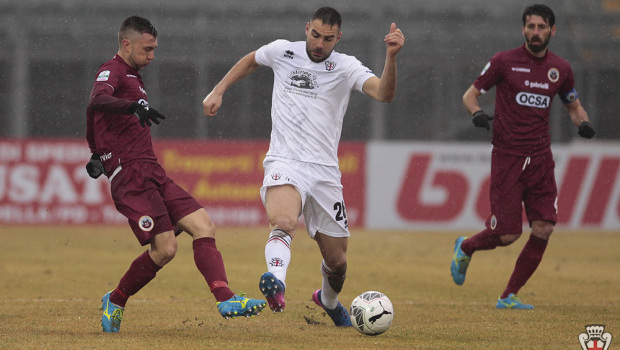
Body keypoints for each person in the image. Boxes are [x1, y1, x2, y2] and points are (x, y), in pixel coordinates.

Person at [203, 7, 404, 326]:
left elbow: (384, 94)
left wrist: (391, 57)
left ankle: (328, 299)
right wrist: (218, 89)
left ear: (338, 37)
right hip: (285, 161)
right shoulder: (283, 50)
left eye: (327, 39)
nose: (319, 44)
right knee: (283, 221)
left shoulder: (346, 66)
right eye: (315, 35)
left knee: (337, 261)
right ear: (307, 28)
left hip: (325, 173)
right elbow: (251, 60)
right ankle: (276, 281)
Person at [86, 15, 266, 333]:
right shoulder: (112, 70)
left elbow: (94, 113)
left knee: (204, 225)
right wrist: (123, 120)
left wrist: (96, 150)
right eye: (147, 48)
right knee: (166, 249)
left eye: (155, 49)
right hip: (130, 176)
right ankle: (115, 300)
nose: (152, 55)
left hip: (151, 170)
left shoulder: (134, 76)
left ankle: (226, 299)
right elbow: (97, 100)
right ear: (126, 44)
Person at [452, 4, 595, 309]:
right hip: (508, 157)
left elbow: (572, 105)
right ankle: (465, 247)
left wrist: (582, 123)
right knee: (506, 235)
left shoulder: (561, 69)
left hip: (541, 159)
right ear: (523, 30)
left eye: (541, 27)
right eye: (530, 27)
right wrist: (477, 113)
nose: (535, 32)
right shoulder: (504, 61)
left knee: (544, 227)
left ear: (552, 31)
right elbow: (470, 94)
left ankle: (508, 296)